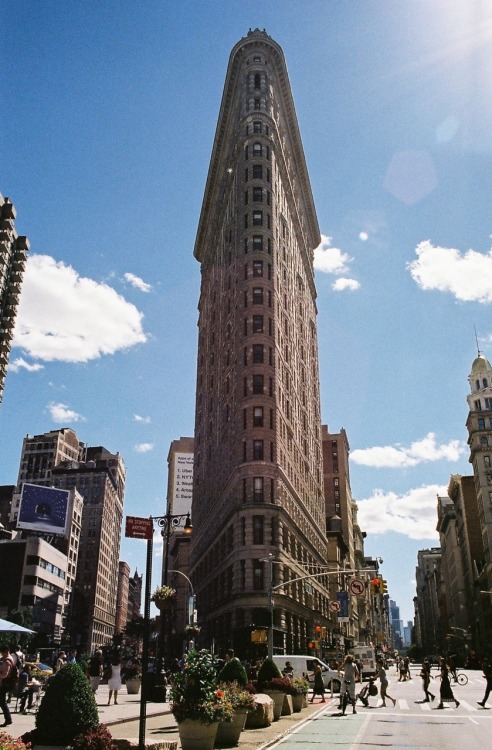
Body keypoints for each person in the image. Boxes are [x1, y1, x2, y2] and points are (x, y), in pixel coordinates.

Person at [0, 644, 14, 727]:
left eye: (2, 652)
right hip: (4, 683)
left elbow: (5, 675)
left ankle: (8, 719)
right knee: (2, 702)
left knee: (2, 702)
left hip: (4, 684)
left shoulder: (7, 661)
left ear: (6, 652)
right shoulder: (6, 659)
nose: (2, 654)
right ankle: (8, 719)